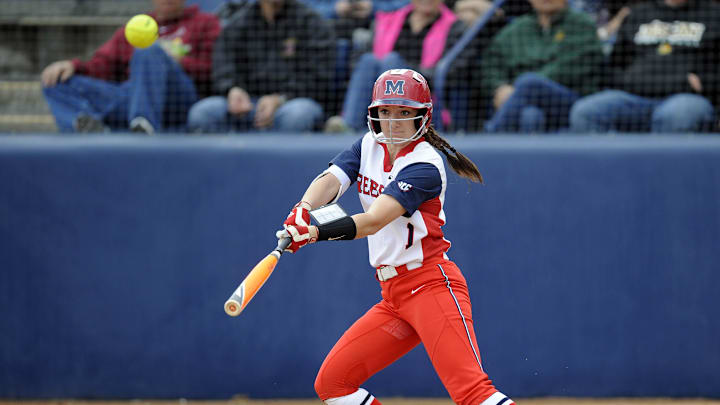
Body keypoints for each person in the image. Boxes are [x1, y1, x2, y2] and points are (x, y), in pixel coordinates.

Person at [279, 69, 515, 405]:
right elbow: (332, 179)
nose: (393, 122)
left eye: (404, 112)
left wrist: (315, 232)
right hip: (394, 297)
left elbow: (374, 220)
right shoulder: (368, 144)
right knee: (333, 384)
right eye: (386, 112)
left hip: (430, 285)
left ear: (423, 116)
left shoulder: (425, 165)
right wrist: (303, 209)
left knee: (473, 393)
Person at [41, 0, 220, 134]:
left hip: (178, 99)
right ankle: (88, 132)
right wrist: (72, 65)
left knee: (148, 51)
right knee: (55, 81)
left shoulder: (205, 22)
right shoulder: (136, 26)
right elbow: (102, 65)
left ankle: (143, 128)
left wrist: (176, 61)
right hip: (131, 97)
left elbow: (217, 69)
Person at [569, 0, 720, 133]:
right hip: (636, 96)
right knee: (585, 111)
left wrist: (704, 82)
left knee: (678, 114)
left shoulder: (713, 13)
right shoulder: (639, 13)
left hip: (686, 97)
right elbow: (615, 65)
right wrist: (629, 80)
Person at [186, 0, 335, 133]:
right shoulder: (239, 22)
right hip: (247, 104)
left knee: (298, 114)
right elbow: (223, 64)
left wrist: (280, 98)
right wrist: (233, 89)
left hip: (291, 103)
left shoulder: (311, 22)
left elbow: (319, 77)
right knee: (203, 112)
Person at [324, 0, 466, 133]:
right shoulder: (387, 19)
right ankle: (348, 125)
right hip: (377, 87)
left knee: (391, 61)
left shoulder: (455, 26)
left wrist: (406, 71)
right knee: (368, 60)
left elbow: (449, 70)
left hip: (422, 93)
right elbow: (358, 61)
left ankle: (390, 127)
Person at [480, 0, 603, 133]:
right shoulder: (518, 28)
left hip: (571, 100)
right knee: (530, 115)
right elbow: (492, 62)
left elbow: (572, 66)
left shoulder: (581, 23)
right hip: (524, 102)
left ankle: (492, 135)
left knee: (529, 82)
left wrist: (518, 89)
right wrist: (500, 87)